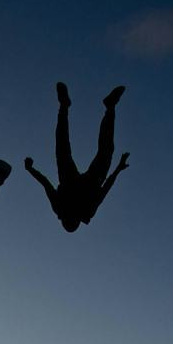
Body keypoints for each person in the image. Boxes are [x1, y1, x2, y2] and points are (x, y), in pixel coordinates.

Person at [24, 83, 130, 232]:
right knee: (97, 151)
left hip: (71, 181)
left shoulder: (61, 207)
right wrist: (118, 169)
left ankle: (66, 107)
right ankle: (109, 107)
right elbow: (105, 189)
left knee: (64, 149)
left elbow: (46, 184)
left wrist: (30, 169)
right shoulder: (85, 211)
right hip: (87, 183)